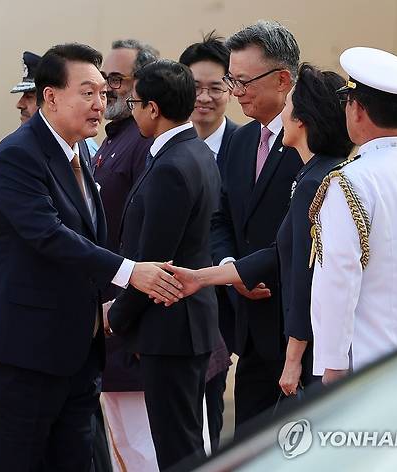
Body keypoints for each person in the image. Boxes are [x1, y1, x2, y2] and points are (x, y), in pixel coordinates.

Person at [0, 43, 182, 471]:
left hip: (76, 354)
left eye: (103, 93)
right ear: (51, 96)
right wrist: (130, 273)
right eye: (87, 93)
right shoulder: (17, 154)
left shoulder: (82, 151)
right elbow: (49, 235)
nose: (101, 104)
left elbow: (89, 237)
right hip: (18, 352)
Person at [163, 64, 355, 399]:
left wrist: (293, 357)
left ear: (303, 121)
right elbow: (280, 252)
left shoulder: (314, 182)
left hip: (306, 351)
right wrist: (204, 277)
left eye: (290, 106)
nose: (283, 114)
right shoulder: (319, 173)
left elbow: (303, 276)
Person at [107, 60, 222, 470]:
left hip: (172, 327)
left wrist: (116, 317)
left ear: (153, 108)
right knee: (185, 440)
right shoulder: (196, 152)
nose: (132, 110)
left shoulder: (173, 165)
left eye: (135, 103)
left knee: (176, 448)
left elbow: (154, 262)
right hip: (187, 325)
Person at [310, 47, 397, 385]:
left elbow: (339, 279)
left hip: (364, 364)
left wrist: (333, 363)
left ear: (356, 108)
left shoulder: (350, 181)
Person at [210, 20, 303, 432]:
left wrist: (248, 272)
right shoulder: (241, 140)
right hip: (249, 329)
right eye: (232, 79)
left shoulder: (314, 143)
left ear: (283, 79)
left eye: (244, 81)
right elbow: (220, 217)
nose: (236, 91)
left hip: (298, 332)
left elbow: (304, 236)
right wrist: (233, 269)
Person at [93, 38, 160, 472]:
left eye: (117, 79)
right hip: (110, 327)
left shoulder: (143, 144)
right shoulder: (113, 140)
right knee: (123, 452)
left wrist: (124, 315)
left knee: (145, 451)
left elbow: (147, 239)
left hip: (131, 324)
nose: (108, 89)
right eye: (104, 80)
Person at [178, 31, 238, 452]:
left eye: (215, 87)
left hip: (229, 304)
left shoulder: (247, 145)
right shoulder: (158, 145)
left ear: (230, 90)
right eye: (195, 87)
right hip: (171, 305)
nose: (204, 97)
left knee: (209, 414)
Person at [12, 50, 99, 155]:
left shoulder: (83, 149)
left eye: (29, 97)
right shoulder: (24, 146)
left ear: (51, 98)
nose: (20, 104)